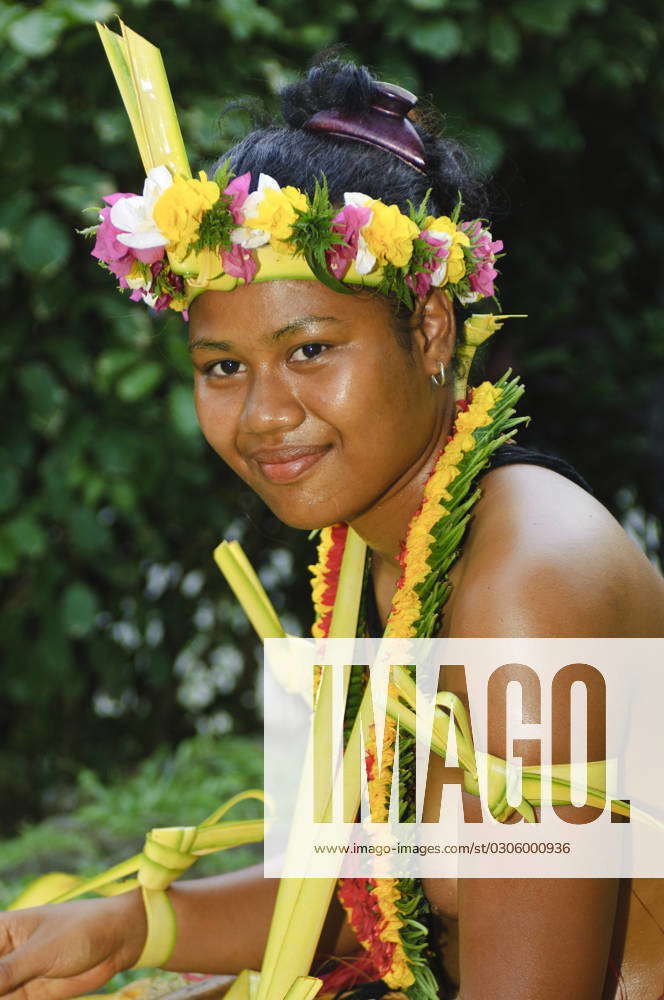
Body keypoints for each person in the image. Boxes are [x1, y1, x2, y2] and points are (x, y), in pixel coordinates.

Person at [1, 41, 664, 1000]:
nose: (263, 414)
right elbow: (377, 893)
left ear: (431, 329)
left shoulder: (532, 585)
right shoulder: (370, 549)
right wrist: (124, 924)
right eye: (223, 366)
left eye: (310, 350)